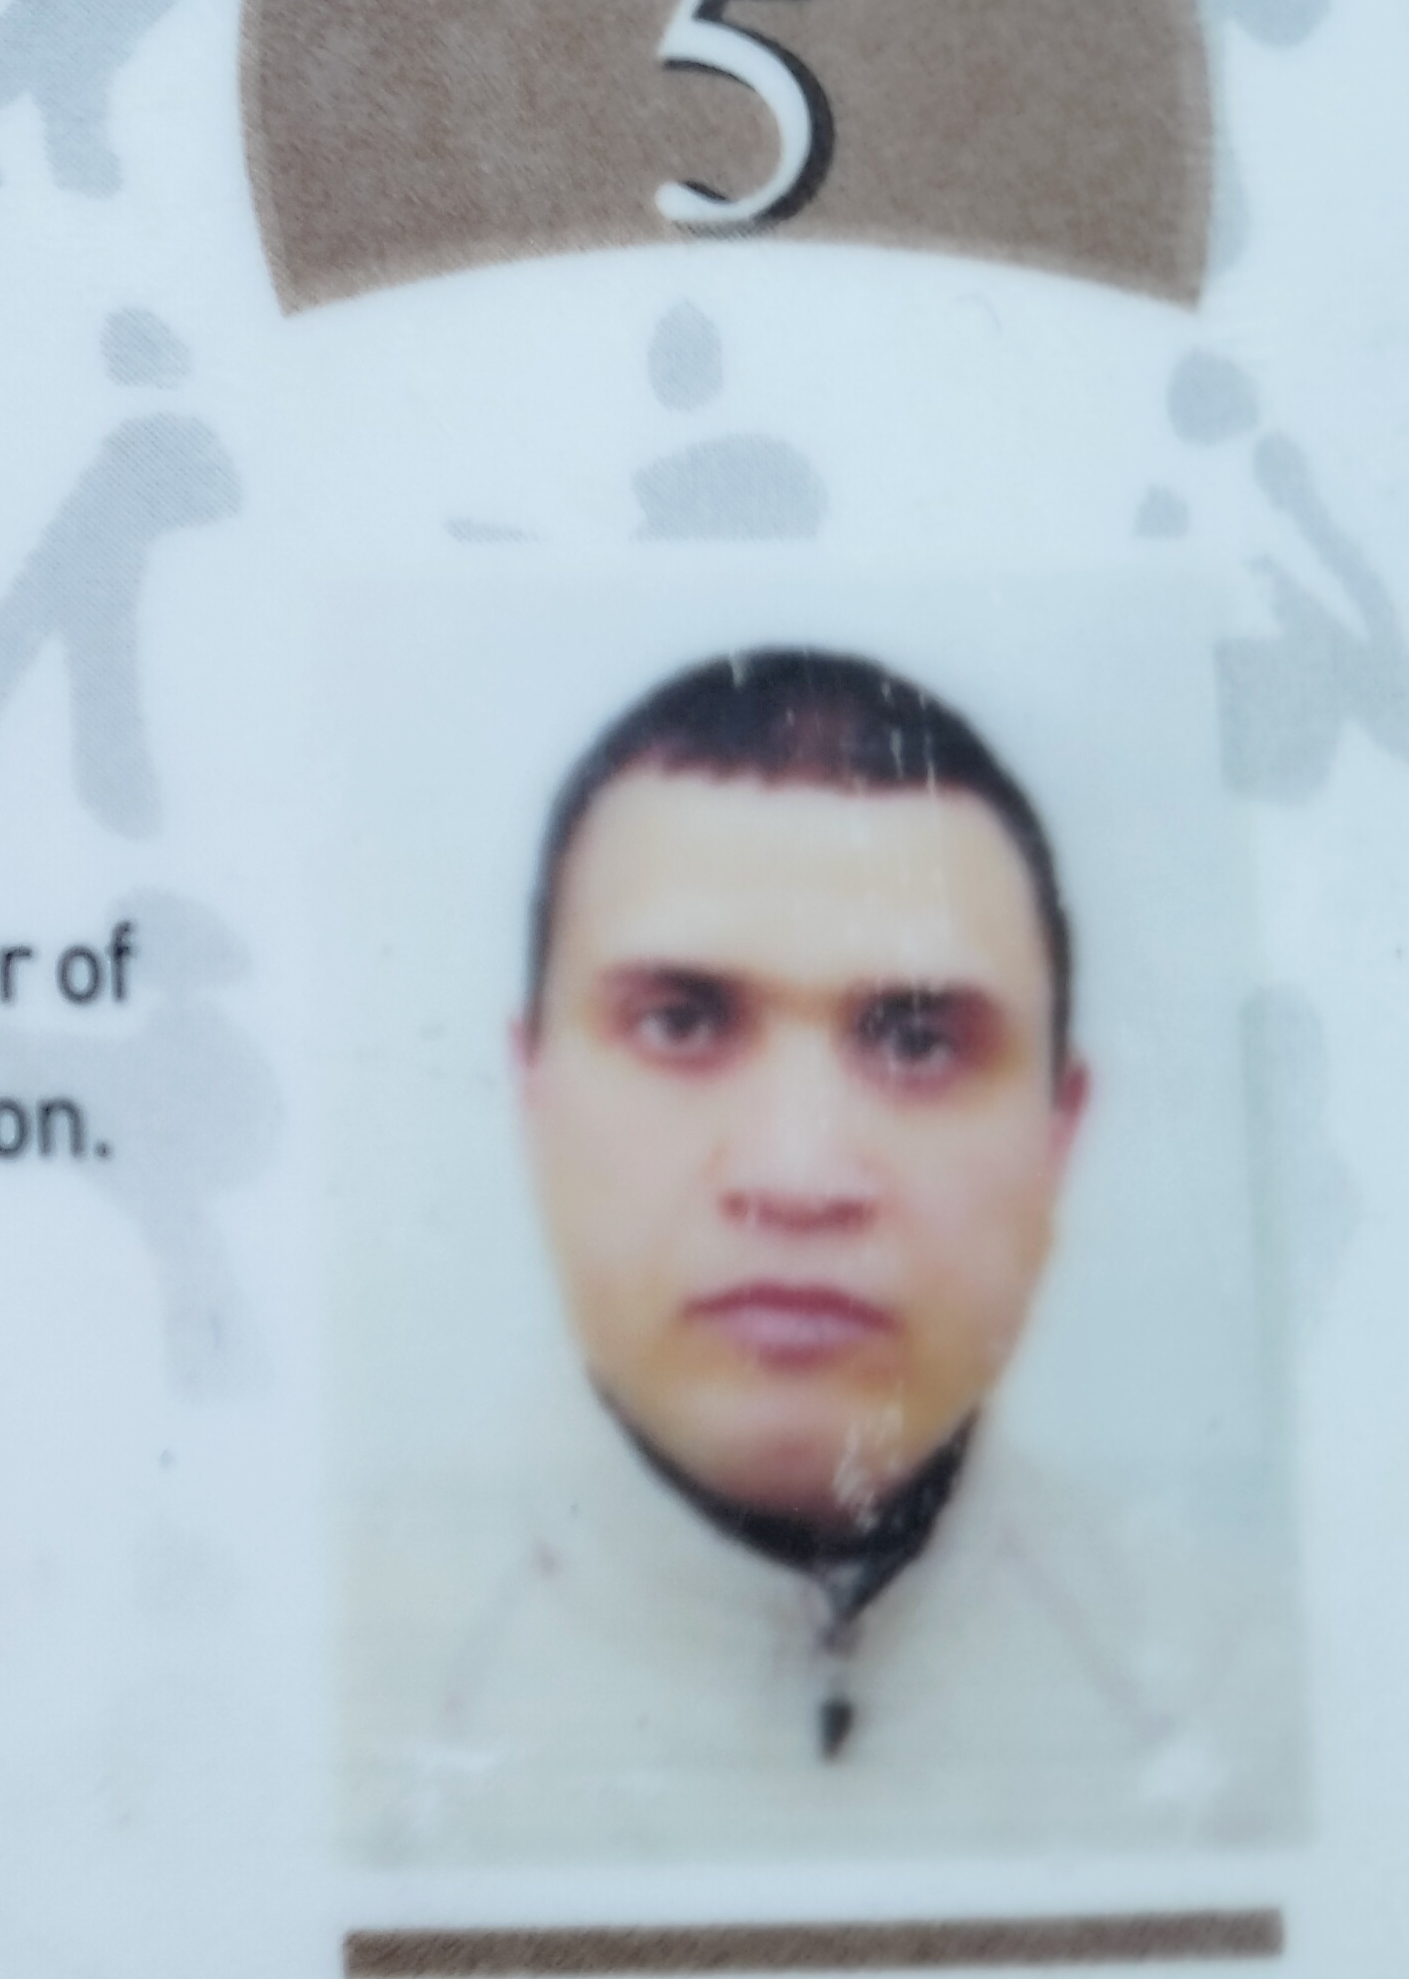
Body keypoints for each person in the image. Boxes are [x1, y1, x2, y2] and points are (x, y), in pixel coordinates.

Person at [348, 648, 1300, 1862]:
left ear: (1061, 1136)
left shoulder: (1254, 1720)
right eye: (680, 1022)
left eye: (918, 1041)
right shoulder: (323, 1707)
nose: (797, 1179)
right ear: (530, 1091)